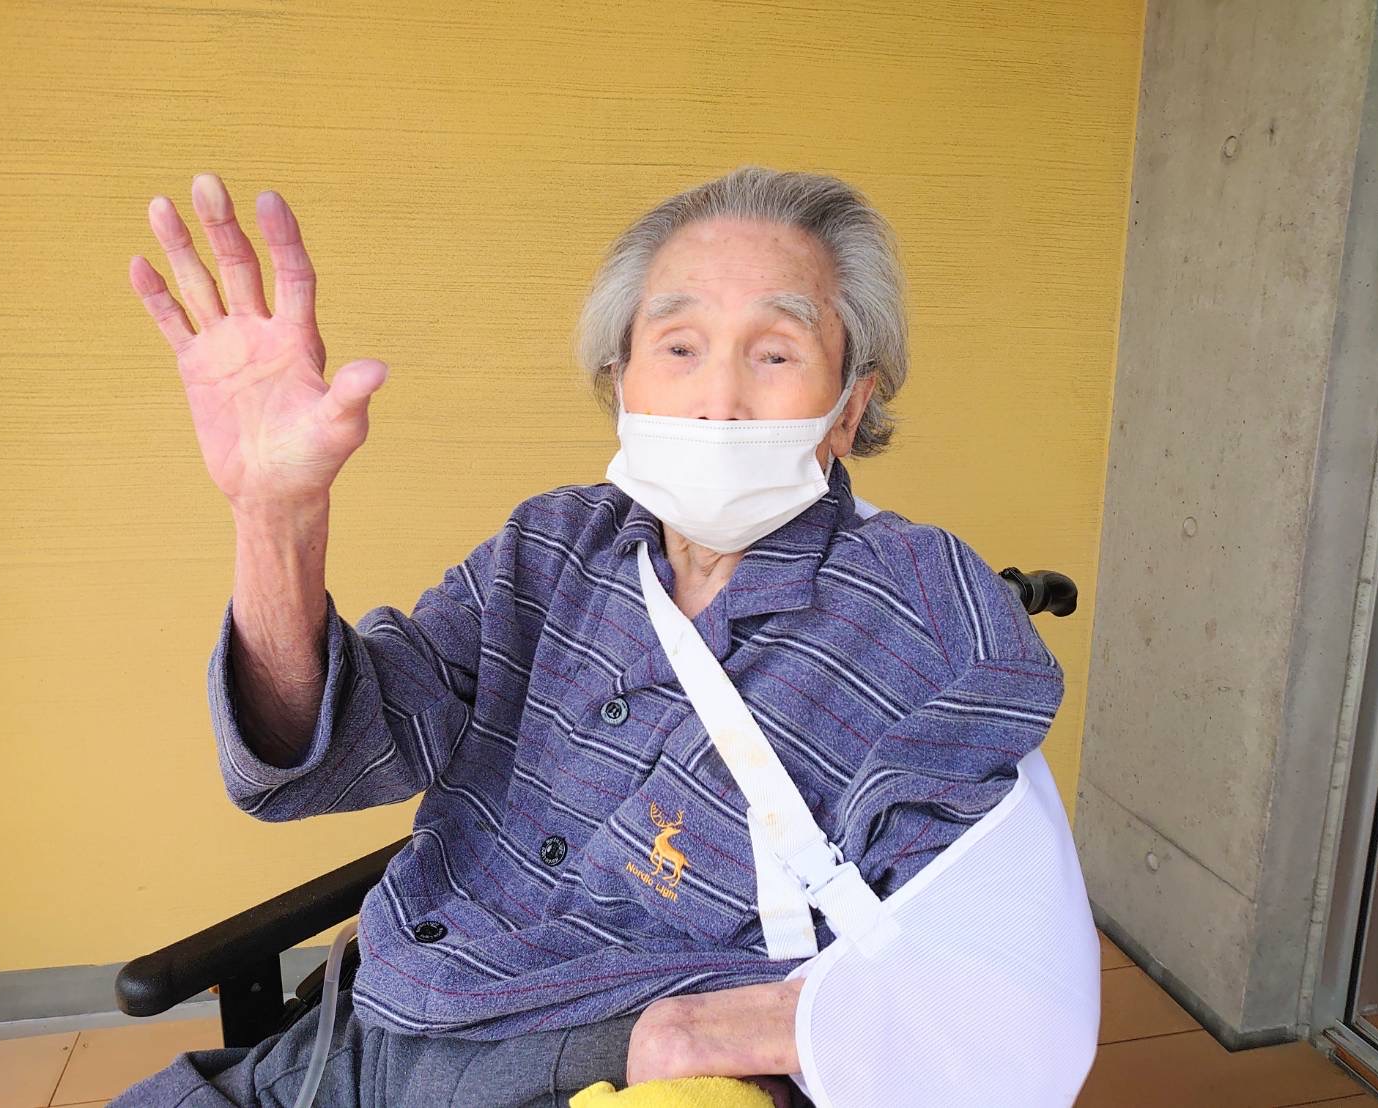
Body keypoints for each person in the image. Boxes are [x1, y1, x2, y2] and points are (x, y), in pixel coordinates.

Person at [116, 165, 1065, 1106]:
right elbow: (327, 756)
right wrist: (276, 521)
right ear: (621, 382)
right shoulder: (550, 546)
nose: (717, 399)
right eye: (679, 346)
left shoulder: (924, 605)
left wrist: (748, 1042)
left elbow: (977, 957)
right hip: (370, 1033)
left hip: (617, 1070)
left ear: (849, 407)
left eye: (775, 354)